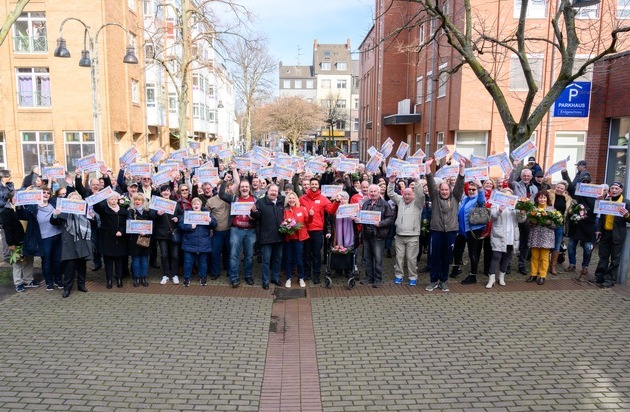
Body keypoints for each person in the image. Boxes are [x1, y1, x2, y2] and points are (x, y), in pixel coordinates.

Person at [424, 158, 465, 292]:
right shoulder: (435, 197)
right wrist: (427, 168)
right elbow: (430, 183)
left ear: (450, 190)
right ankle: (433, 280)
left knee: (446, 257)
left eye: (446, 190)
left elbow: (460, 183)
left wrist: (462, 168)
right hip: (436, 231)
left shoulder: (456, 197)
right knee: (435, 256)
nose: (444, 192)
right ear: (439, 190)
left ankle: (443, 280)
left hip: (451, 232)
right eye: (442, 189)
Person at [17, 186, 62, 291]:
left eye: (48, 193)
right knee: (46, 261)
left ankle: (58, 280)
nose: (46, 194)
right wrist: (19, 203)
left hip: (57, 235)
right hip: (44, 238)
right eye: (43, 192)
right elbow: (21, 215)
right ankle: (49, 282)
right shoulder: (33, 207)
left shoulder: (54, 204)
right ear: (38, 195)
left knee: (57, 260)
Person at [219, 166, 257, 288]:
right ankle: (234, 277)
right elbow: (221, 195)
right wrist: (225, 180)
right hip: (236, 230)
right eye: (242, 187)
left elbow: (260, 215)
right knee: (234, 255)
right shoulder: (234, 198)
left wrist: (254, 216)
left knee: (249, 256)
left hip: (250, 231)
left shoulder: (255, 199)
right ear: (239, 189)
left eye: (246, 186)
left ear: (249, 188)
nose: (244, 188)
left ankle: (248, 276)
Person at [51, 192, 93, 297]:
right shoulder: (64, 211)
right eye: (72, 199)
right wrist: (56, 214)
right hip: (69, 239)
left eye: (77, 199)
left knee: (82, 263)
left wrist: (93, 216)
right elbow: (54, 222)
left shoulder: (85, 210)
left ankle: (81, 285)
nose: (75, 201)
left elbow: (95, 222)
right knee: (70, 264)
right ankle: (67, 288)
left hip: (82, 239)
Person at [299, 178, 340, 285]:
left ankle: (316, 275)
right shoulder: (302, 199)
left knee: (317, 254)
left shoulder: (323, 199)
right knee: (306, 254)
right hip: (305, 230)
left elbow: (331, 210)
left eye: (315, 184)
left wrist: (337, 202)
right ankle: (307, 273)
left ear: (318, 186)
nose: (313, 185)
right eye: (312, 184)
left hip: (317, 231)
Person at [387, 173, 424, 286]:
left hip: (413, 235)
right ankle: (399, 276)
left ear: (413, 195)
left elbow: (421, 195)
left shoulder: (418, 203)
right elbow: (390, 194)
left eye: (409, 194)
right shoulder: (400, 200)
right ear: (402, 194)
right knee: (399, 258)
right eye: (405, 194)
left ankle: (413, 277)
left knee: (411, 259)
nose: (407, 196)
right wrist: (392, 182)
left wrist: (417, 181)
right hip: (399, 235)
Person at [592, 182, 630, 288]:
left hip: (617, 234)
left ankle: (609, 279)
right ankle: (599, 276)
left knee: (614, 259)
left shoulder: (626, 203)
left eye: (616, 188)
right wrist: (599, 230)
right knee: (603, 256)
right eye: (612, 188)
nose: (614, 190)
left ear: (621, 190)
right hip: (605, 233)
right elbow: (601, 218)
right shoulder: (605, 201)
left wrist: (627, 214)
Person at [356, 184, 394, 288]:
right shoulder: (365, 204)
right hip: (367, 235)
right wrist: (358, 219)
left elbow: (390, 218)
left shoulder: (385, 204)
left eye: (375, 192)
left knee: (378, 259)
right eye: (371, 192)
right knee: (367, 258)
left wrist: (380, 223)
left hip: (378, 235)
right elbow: (362, 216)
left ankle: (378, 279)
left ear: (378, 192)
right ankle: (369, 278)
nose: (373, 193)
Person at [561, 170, 596, 279]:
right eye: (583, 181)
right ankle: (572, 264)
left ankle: (585, 266)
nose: (585, 183)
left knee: (587, 248)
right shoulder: (576, 192)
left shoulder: (596, 195)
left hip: (588, 227)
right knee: (571, 246)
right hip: (576, 226)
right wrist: (565, 173)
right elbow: (570, 185)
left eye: (587, 182)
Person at [0, 191, 38, 292]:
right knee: (18, 262)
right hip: (16, 241)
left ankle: (28, 280)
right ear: (10, 199)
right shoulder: (6, 212)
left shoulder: (20, 209)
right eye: (16, 198)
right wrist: (10, 243)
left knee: (29, 260)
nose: (18, 200)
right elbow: (7, 229)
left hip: (26, 239)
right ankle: (18, 282)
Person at [452, 180, 487, 285]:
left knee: (472, 253)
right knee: (457, 251)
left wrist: (480, 188)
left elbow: (482, 199)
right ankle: (456, 269)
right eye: (470, 189)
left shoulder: (478, 200)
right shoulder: (465, 199)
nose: (471, 191)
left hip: (473, 230)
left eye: (473, 189)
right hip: (462, 230)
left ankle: (473, 276)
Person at [250, 184, 285, 289]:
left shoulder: (281, 202)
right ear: (267, 191)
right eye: (271, 191)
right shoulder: (260, 202)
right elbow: (256, 216)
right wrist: (254, 212)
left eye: (275, 191)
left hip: (279, 236)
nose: (273, 193)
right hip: (266, 237)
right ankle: (265, 281)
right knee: (266, 260)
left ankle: (275, 278)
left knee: (277, 259)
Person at [486, 188, 522, 288]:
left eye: (510, 196)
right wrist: (499, 211)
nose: (508, 198)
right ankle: (491, 278)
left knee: (507, 257)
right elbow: (492, 217)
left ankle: (502, 276)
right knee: (496, 256)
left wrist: (522, 213)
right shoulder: (496, 204)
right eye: (506, 196)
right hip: (499, 234)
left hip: (511, 235)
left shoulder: (515, 206)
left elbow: (521, 219)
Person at [92, 193, 128, 288]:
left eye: (115, 199)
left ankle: (119, 279)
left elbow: (126, 224)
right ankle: (109, 280)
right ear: (107, 201)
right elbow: (96, 207)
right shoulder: (104, 210)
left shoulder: (123, 211)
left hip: (120, 240)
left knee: (119, 261)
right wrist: (98, 196)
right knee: (108, 261)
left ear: (117, 200)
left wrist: (121, 231)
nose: (113, 201)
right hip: (107, 239)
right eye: (111, 199)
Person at [179, 197, 217, 286]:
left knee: (203, 262)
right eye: (194, 204)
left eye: (197, 204)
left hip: (203, 242)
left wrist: (210, 221)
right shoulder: (187, 213)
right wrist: (190, 227)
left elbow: (215, 224)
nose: (196, 205)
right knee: (188, 262)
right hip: (189, 242)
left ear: (201, 205)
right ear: (191, 205)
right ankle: (186, 278)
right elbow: (180, 225)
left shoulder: (207, 213)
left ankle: (203, 277)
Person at [509, 159, 539, 275]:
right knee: (513, 240)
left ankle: (522, 264)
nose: (526, 177)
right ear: (521, 176)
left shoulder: (535, 188)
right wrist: (514, 168)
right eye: (524, 175)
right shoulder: (516, 185)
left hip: (528, 218)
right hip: (516, 216)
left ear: (531, 176)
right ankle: (508, 264)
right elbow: (510, 181)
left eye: (528, 175)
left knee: (525, 242)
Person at [151, 185, 182, 285]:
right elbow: (150, 215)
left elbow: (182, 214)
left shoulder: (175, 203)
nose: (165, 192)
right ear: (161, 193)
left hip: (173, 233)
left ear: (170, 192)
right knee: (164, 255)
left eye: (167, 191)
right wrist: (157, 214)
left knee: (175, 255)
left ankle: (174, 275)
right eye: (163, 191)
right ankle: (165, 274)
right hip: (161, 233)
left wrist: (178, 218)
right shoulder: (156, 203)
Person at [526, 191, 557, 285]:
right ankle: (533, 274)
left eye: (544, 198)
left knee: (544, 257)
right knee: (534, 256)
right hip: (535, 235)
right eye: (540, 197)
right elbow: (528, 221)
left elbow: (556, 224)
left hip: (546, 236)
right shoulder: (533, 209)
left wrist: (550, 223)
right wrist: (532, 222)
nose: (542, 199)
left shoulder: (552, 210)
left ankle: (542, 276)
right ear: (537, 199)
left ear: (547, 199)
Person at [282, 192, 312, 288]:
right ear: (287, 200)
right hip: (289, 239)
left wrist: (311, 215)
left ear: (296, 199)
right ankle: (288, 278)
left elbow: (308, 222)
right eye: (289, 198)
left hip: (299, 238)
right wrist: (285, 226)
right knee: (289, 259)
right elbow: (282, 223)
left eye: (293, 198)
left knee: (299, 260)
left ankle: (301, 277)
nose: (291, 200)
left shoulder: (302, 209)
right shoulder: (285, 210)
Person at [127, 194, 153, 287]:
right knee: (135, 260)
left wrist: (146, 232)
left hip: (145, 238)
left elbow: (152, 224)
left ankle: (144, 277)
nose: (137, 201)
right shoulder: (130, 211)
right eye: (135, 200)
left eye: (139, 200)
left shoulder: (148, 211)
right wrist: (137, 231)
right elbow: (129, 224)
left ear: (143, 201)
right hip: (134, 239)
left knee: (145, 259)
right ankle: (136, 278)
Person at [547, 181, 573, 276]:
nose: (559, 189)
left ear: (564, 190)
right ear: (555, 187)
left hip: (560, 225)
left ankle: (553, 266)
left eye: (562, 188)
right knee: (546, 245)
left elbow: (569, 210)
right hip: (548, 224)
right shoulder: (549, 194)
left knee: (556, 246)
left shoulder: (568, 199)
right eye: (558, 187)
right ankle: (544, 265)